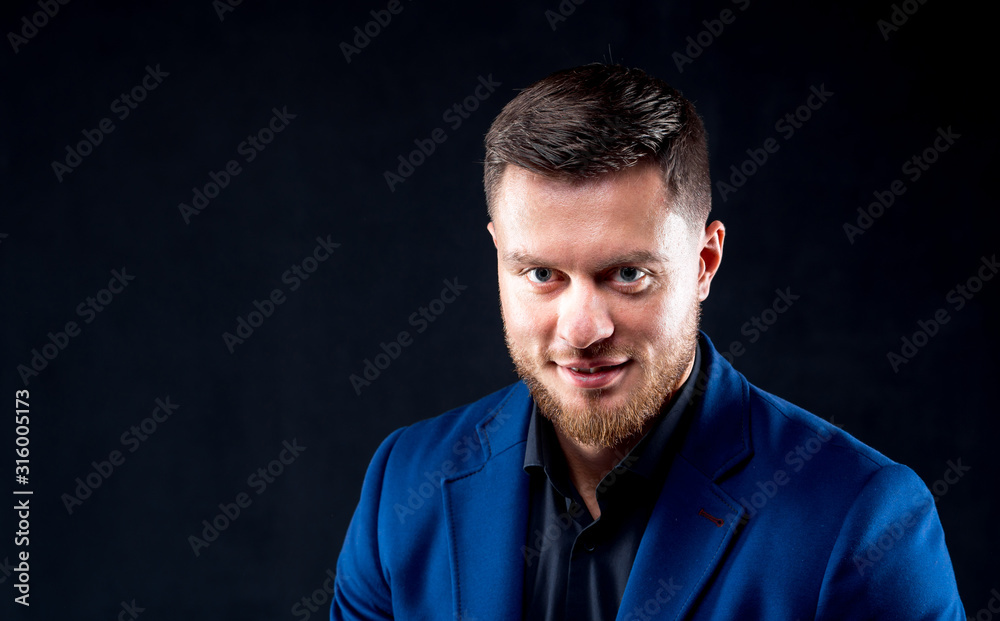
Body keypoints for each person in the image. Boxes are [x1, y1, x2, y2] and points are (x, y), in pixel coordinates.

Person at [331, 63, 965, 620]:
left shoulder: (861, 520)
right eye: (542, 274)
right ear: (498, 256)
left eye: (628, 275)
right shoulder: (404, 481)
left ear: (704, 263)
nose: (582, 331)